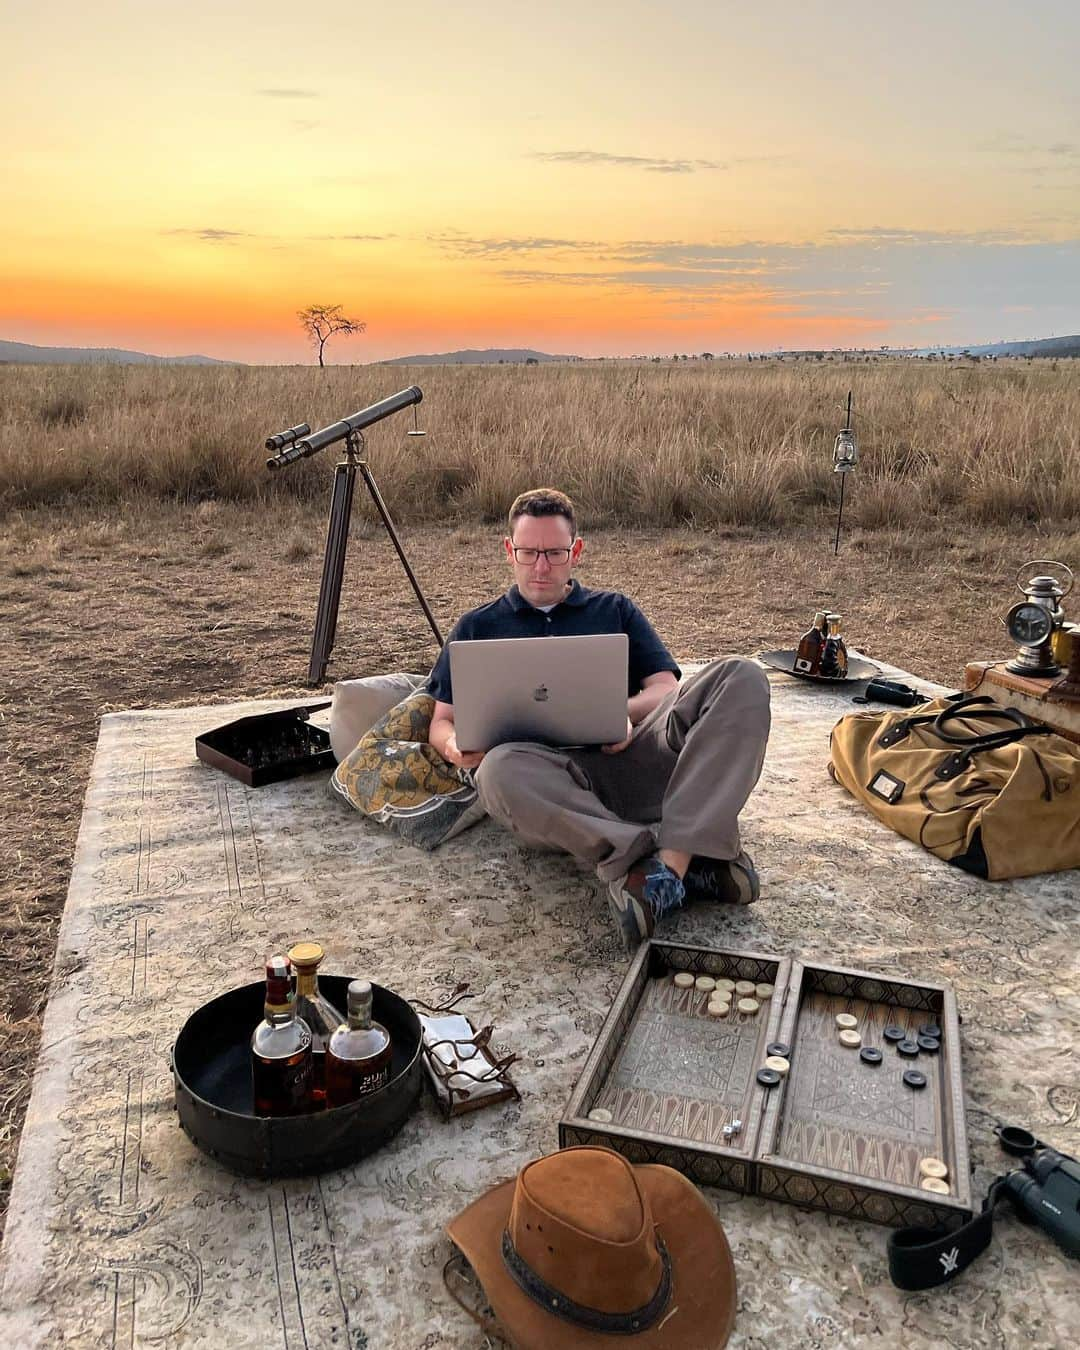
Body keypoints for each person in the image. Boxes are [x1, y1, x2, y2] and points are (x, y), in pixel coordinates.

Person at [426, 488, 771, 951]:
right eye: (529, 553)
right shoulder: (476, 627)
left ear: (577, 551)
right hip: (552, 791)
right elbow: (440, 722)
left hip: (633, 759)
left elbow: (665, 690)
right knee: (499, 771)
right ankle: (686, 859)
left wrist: (619, 713)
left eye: (555, 552)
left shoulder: (615, 610)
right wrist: (454, 748)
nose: (542, 566)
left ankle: (664, 871)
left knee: (742, 676)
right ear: (509, 551)